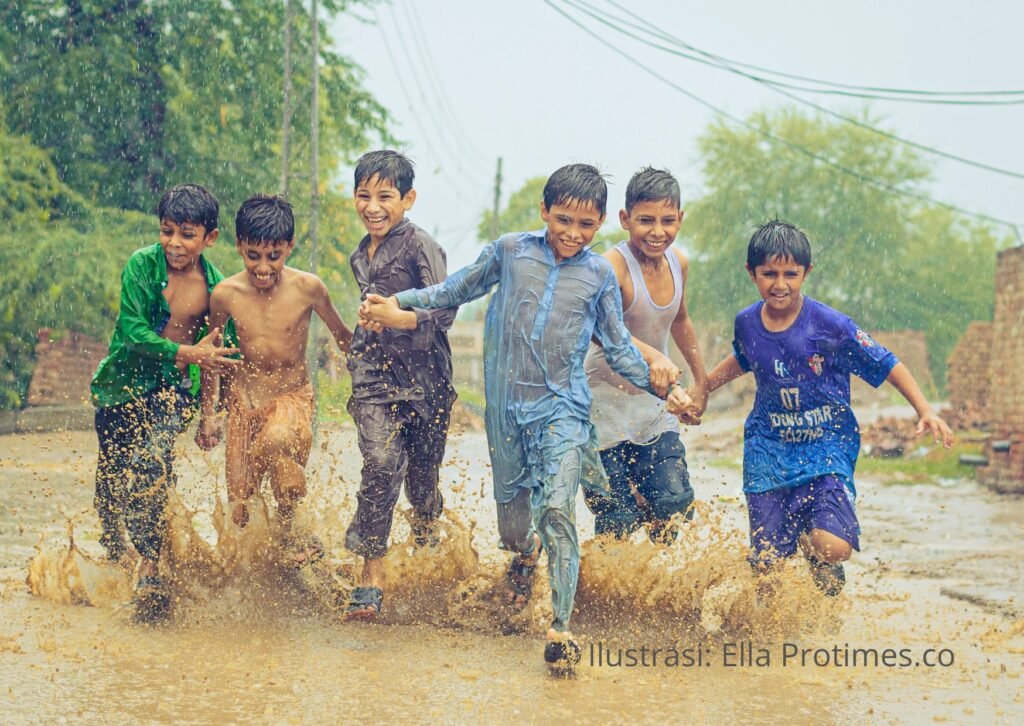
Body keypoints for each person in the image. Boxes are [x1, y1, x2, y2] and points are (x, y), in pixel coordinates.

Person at [360, 163, 687, 669]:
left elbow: (620, 350)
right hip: (506, 413)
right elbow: (453, 291)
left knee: (558, 508)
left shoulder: (599, 275)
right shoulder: (511, 252)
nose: (573, 234)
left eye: (585, 225)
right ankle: (525, 555)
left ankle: (561, 627)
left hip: (564, 409)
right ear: (544, 212)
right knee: (515, 530)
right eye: (563, 220)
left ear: (601, 223)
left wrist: (666, 391)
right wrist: (395, 301)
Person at [702, 220, 954, 596]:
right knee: (768, 564)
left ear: (807, 273)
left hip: (826, 446)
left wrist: (925, 409)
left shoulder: (831, 325)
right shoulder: (746, 323)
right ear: (751, 273)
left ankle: (815, 550)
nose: (780, 284)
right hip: (767, 449)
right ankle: (769, 643)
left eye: (791, 273)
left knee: (833, 547)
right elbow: (744, 358)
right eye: (769, 274)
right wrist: (703, 388)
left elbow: (887, 363)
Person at [90, 183, 240, 622]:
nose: (174, 243)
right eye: (167, 231)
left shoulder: (216, 288)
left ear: (209, 238)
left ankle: (151, 565)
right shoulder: (141, 265)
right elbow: (134, 330)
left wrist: (211, 413)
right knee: (111, 479)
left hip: (173, 391)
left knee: (153, 462)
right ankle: (116, 548)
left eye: (186, 234)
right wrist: (189, 353)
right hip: (122, 385)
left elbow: (217, 356)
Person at [198, 195, 353, 568]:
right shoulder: (225, 295)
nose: (263, 267)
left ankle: (293, 530)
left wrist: (371, 378)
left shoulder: (309, 288)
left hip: (292, 398)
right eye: (253, 255)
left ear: (289, 247)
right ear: (239, 246)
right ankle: (266, 565)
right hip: (244, 402)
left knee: (278, 440)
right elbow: (211, 358)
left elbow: (344, 337)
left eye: (274, 256)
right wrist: (209, 414)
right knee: (240, 505)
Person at [341, 150, 458, 622]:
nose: (373, 206)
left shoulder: (420, 246)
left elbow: (446, 309)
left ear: (407, 199)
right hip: (372, 374)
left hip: (427, 380)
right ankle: (370, 574)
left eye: (385, 196)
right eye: (364, 195)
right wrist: (371, 322)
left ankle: (428, 527)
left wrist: (400, 317)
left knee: (422, 482)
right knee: (381, 461)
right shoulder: (357, 254)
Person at [584, 167, 707, 542]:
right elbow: (601, 330)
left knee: (673, 507)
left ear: (680, 220)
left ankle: (652, 594)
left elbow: (681, 320)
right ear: (625, 220)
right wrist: (653, 357)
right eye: (646, 221)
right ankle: (609, 595)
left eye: (668, 221)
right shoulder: (610, 267)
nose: (658, 232)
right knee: (615, 523)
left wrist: (702, 382)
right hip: (602, 403)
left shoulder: (679, 263)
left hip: (653, 406)